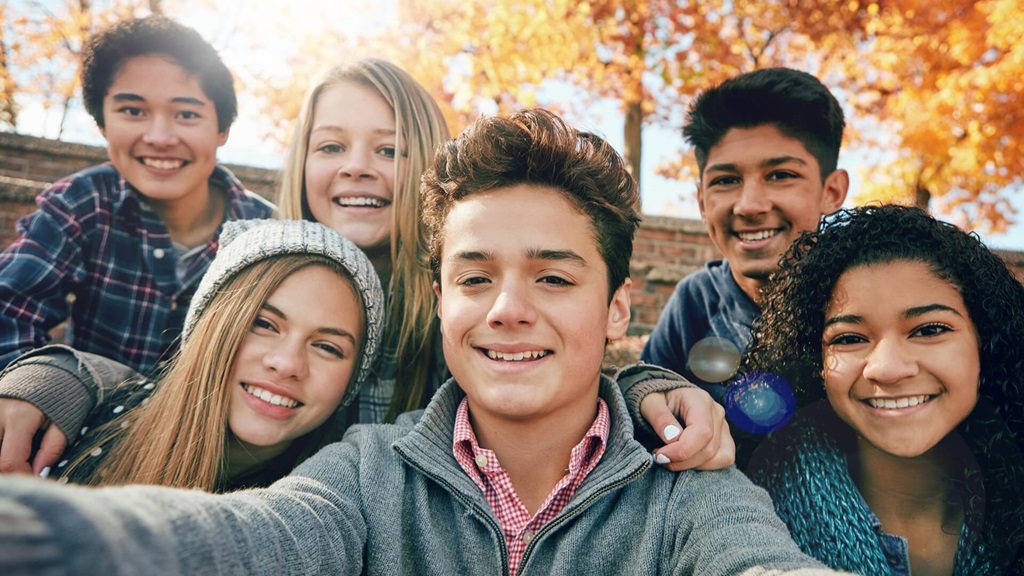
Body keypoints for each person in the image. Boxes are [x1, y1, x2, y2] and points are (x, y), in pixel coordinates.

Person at [0, 109, 849, 576]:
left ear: (619, 308)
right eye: (475, 278)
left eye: (553, 278)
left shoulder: (691, 491)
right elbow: (253, 537)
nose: (507, 309)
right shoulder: (365, 473)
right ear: (440, 300)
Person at [0, 60, 732, 476]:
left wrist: (647, 385)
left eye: (388, 149)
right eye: (331, 146)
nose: (358, 168)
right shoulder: (250, 259)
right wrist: (58, 375)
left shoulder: (458, 316)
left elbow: (547, 368)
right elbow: (163, 380)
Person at [742, 205, 1024, 575]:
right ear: (817, 364)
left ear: (985, 344)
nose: (887, 369)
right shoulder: (745, 509)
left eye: (929, 329)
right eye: (849, 338)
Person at [0, 15, 275, 374]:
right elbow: (9, 311)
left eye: (187, 114)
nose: (160, 137)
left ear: (221, 129)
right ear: (102, 124)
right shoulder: (81, 203)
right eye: (133, 111)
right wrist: (34, 387)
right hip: (88, 420)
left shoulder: (268, 233)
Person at [25, 218, 382, 492]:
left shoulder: (339, 504)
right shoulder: (64, 431)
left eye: (327, 347)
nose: (287, 364)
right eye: (263, 324)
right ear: (209, 325)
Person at [629, 67, 849, 465]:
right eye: (726, 180)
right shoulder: (696, 303)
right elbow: (645, 399)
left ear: (831, 191)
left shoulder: (864, 299)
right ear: (701, 202)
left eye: (781, 175)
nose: (749, 205)